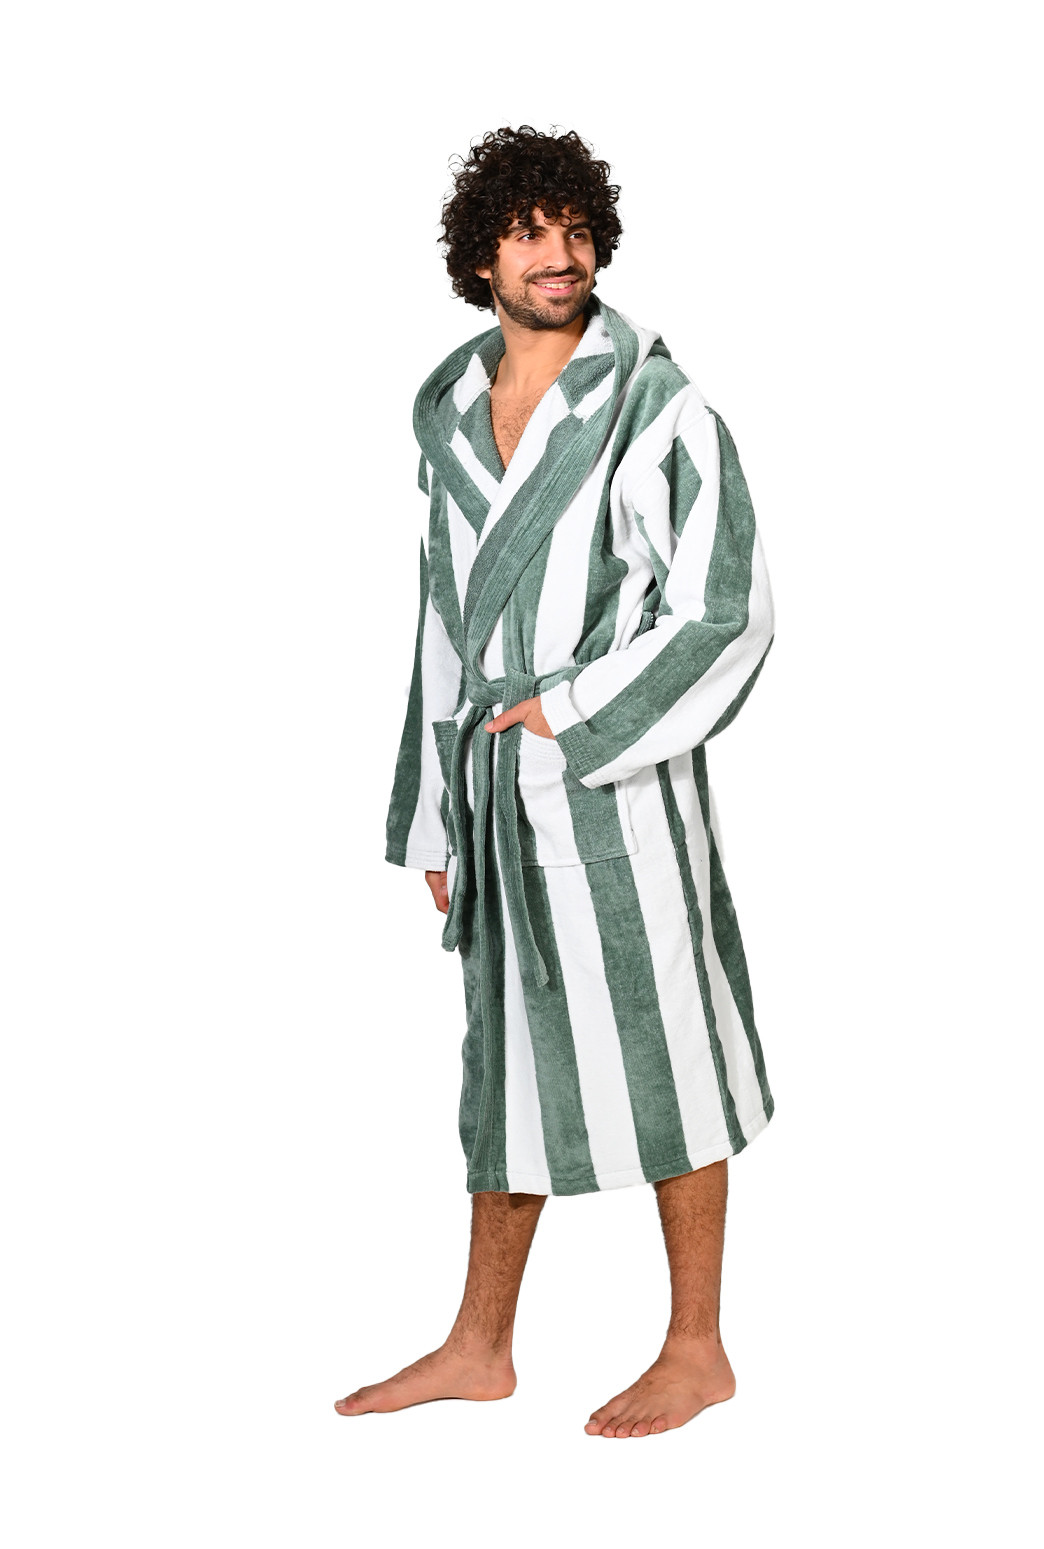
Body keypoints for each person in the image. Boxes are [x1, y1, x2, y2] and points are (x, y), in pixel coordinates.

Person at [335, 125, 775, 1438]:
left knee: (668, 1045)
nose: (560, 253)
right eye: (529, 231)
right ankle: (481, 1344)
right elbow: (440, 619)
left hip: (619, 787)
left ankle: (697, 1347)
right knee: (509, 1064)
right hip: (492, 796)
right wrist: (433, 813)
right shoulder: (451, 421)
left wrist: (571, 709)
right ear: (481, 257)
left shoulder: (658, 406)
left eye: (576, 228)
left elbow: (726, 608)